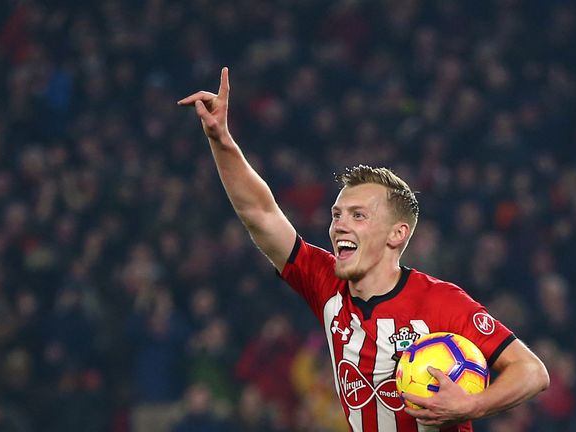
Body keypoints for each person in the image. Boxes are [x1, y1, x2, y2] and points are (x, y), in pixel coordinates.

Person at [178, 67, 549, 431]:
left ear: (397, 234)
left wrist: (472, 404)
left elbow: (532, 371)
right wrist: (221, 141)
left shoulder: (441, 303)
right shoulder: (325, 283)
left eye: (358, 215)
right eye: (337, 214)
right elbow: (259, 213)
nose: (339, 224)